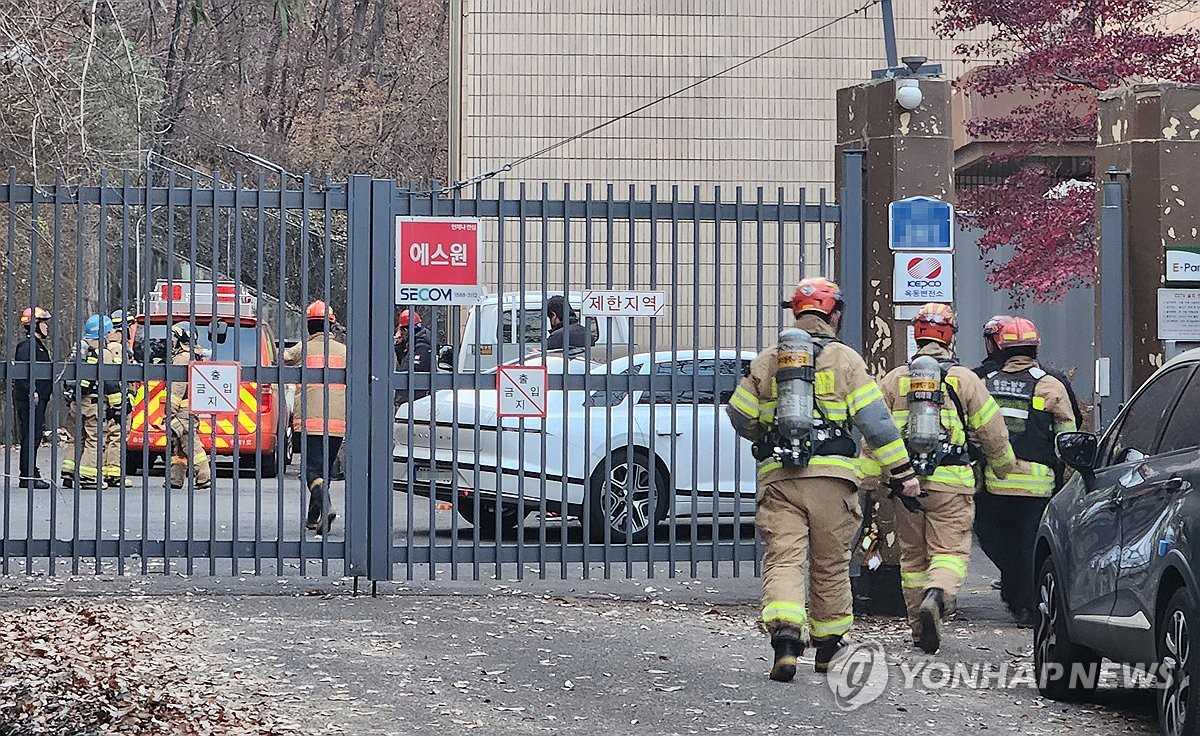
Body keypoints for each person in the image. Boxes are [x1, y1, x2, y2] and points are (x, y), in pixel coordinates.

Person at [726, 276, 920, 682]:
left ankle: (785, 639)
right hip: (834, 480)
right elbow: (877, 426)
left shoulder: (769, 358)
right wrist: (902, 474)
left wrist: (766, 431)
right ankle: (829, 649)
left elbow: (740, 414)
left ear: (797, 312)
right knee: (830, 565)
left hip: (781, 479)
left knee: (784, 558)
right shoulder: (846, 360)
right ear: (834, 314)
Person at [876, 303, 1015, 653]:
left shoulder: (894, 379)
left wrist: (875, 483)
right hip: (952, 482)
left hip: (906, 483)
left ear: (916, 335)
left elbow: (875, 436)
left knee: (912, 557)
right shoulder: (965, 379)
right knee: (949, 552)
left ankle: (917, 629)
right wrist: (1003, 467)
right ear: (950, 335)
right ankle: (937, 596)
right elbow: (992, 431)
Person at [974, 315, 1077, 627]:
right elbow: (1068, 436)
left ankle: (1018, 597)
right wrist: (1068, 482)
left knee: (997, 544)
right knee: (1031, 548)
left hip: (993, 487)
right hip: (1039, 491)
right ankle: (1031, 606)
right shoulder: (1052, 384)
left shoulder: (982, 383)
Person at [283, 300, 346, 535]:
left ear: (309, 325)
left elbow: (284, 358)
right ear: (330, 325)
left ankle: (326, 505)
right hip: (337, 423)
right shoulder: (343, 350)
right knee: (325, 470)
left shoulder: (305, 348)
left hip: (310, 422)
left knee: (311, 471)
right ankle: (313, 518)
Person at [61, 315, 124, 489]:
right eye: (109, 330)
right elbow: (110, 381)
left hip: (77, 402)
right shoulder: (103, 353)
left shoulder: (81, 349)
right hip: (93, 403)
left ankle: (69, 471)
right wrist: (118, 405)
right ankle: (89, 477)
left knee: (77, 438)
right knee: (95, 439)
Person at [166, 321, 212, 489]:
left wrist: (169, 411)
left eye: (174, 337)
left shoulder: (181, 358)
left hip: (182, 411)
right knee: (179, 446)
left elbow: (177, 388)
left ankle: (204, 476)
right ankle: (175, 479)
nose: (171, 340)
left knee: (189, 443)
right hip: (189, 408)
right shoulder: (194, 355)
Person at [12, 307, 53, 489]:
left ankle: (30, 472)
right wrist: (32, 391)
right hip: (31, 399)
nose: (47, 327)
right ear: (35, 324)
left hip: (38, 398)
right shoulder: (27, 346)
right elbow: (21, 373)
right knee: (30, 436)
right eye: (44, 323)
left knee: (34, 436)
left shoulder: (36, 345)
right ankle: (28, 475)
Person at [394, 309, 432, 405]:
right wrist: (399, 345)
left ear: (405, 330)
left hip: (416, 400)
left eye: (401, 331)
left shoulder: (421, 346)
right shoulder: (415, 344)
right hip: (415, 399)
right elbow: (402, 361)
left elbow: (406, 370)